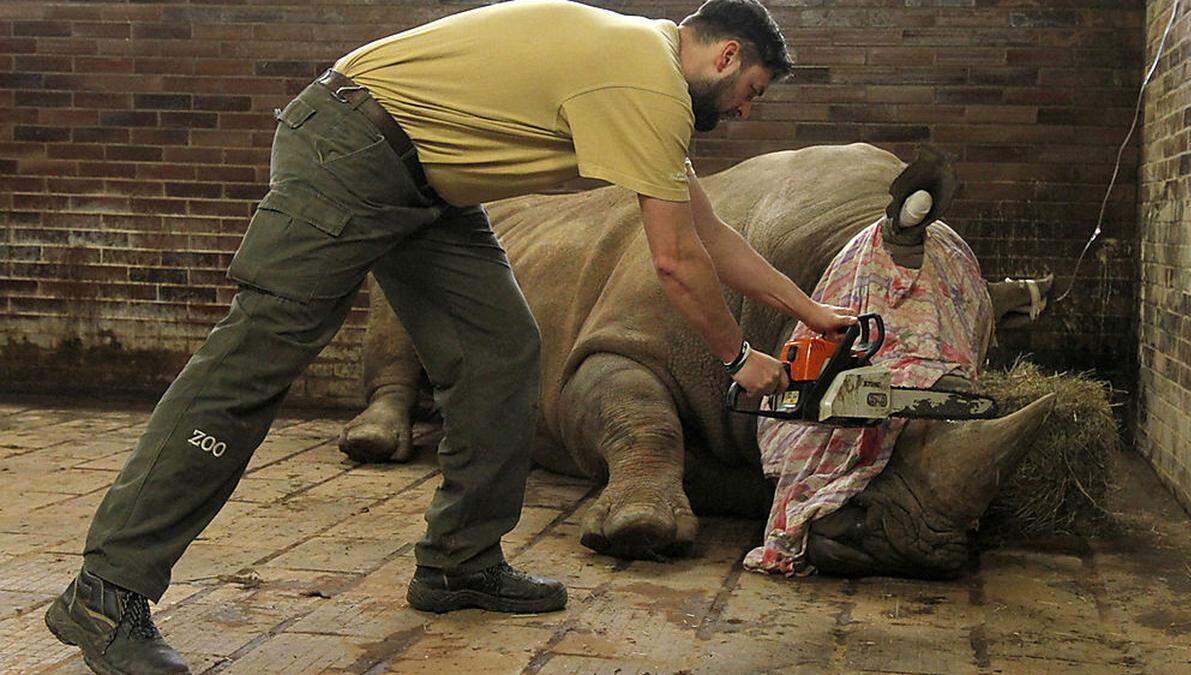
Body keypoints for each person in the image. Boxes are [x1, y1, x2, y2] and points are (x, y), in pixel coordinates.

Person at [44, 0, 857, 672]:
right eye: (751, 91)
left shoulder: (642, 81)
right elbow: (677, 263)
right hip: (351, 146)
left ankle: (458, 562)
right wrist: (737, 357)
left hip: (431, 185)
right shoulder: (643, 79)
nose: (748, 111)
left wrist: (810, 311)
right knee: (253, 362)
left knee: (502, 352)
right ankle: (106, 590)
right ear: (724, 56)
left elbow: (712, 236)